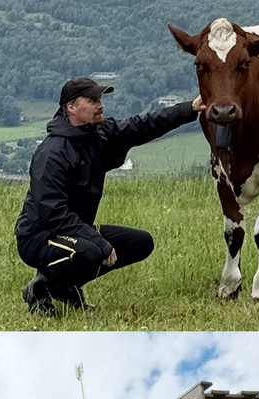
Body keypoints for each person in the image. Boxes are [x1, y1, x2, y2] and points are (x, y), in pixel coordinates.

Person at [15, 78, 203, 315]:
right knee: (93, 251)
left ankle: (65, 285)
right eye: (92, 100)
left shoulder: (98, 134)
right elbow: (53, 213)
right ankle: (41, 288)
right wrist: (99, 242)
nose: (100, 105)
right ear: (71, 107)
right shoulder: (52, 154)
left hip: (73, 231)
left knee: (140, 243)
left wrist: (189, 108)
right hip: (40, 236)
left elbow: (142, 126)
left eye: (100, 99)